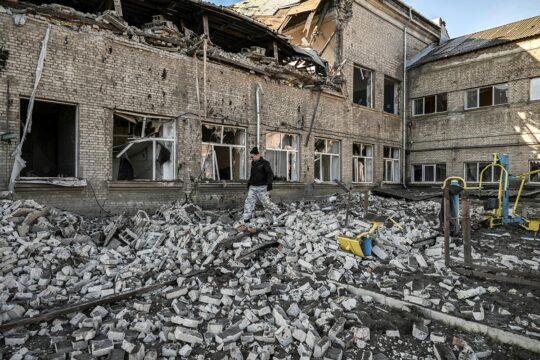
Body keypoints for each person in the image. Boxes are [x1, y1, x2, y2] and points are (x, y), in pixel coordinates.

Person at [242, 147, 280, 224]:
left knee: (266, 203)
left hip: (262, 187)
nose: (251, 158)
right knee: (249, 201)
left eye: (252, 156)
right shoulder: (253, 163)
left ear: (257, 155)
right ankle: (246, 218)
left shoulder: (265, 163)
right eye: (251, 157)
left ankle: (277, 211)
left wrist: (269, 183)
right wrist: (249, 183)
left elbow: (270, 174)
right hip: (253, 187)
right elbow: (253, 175)